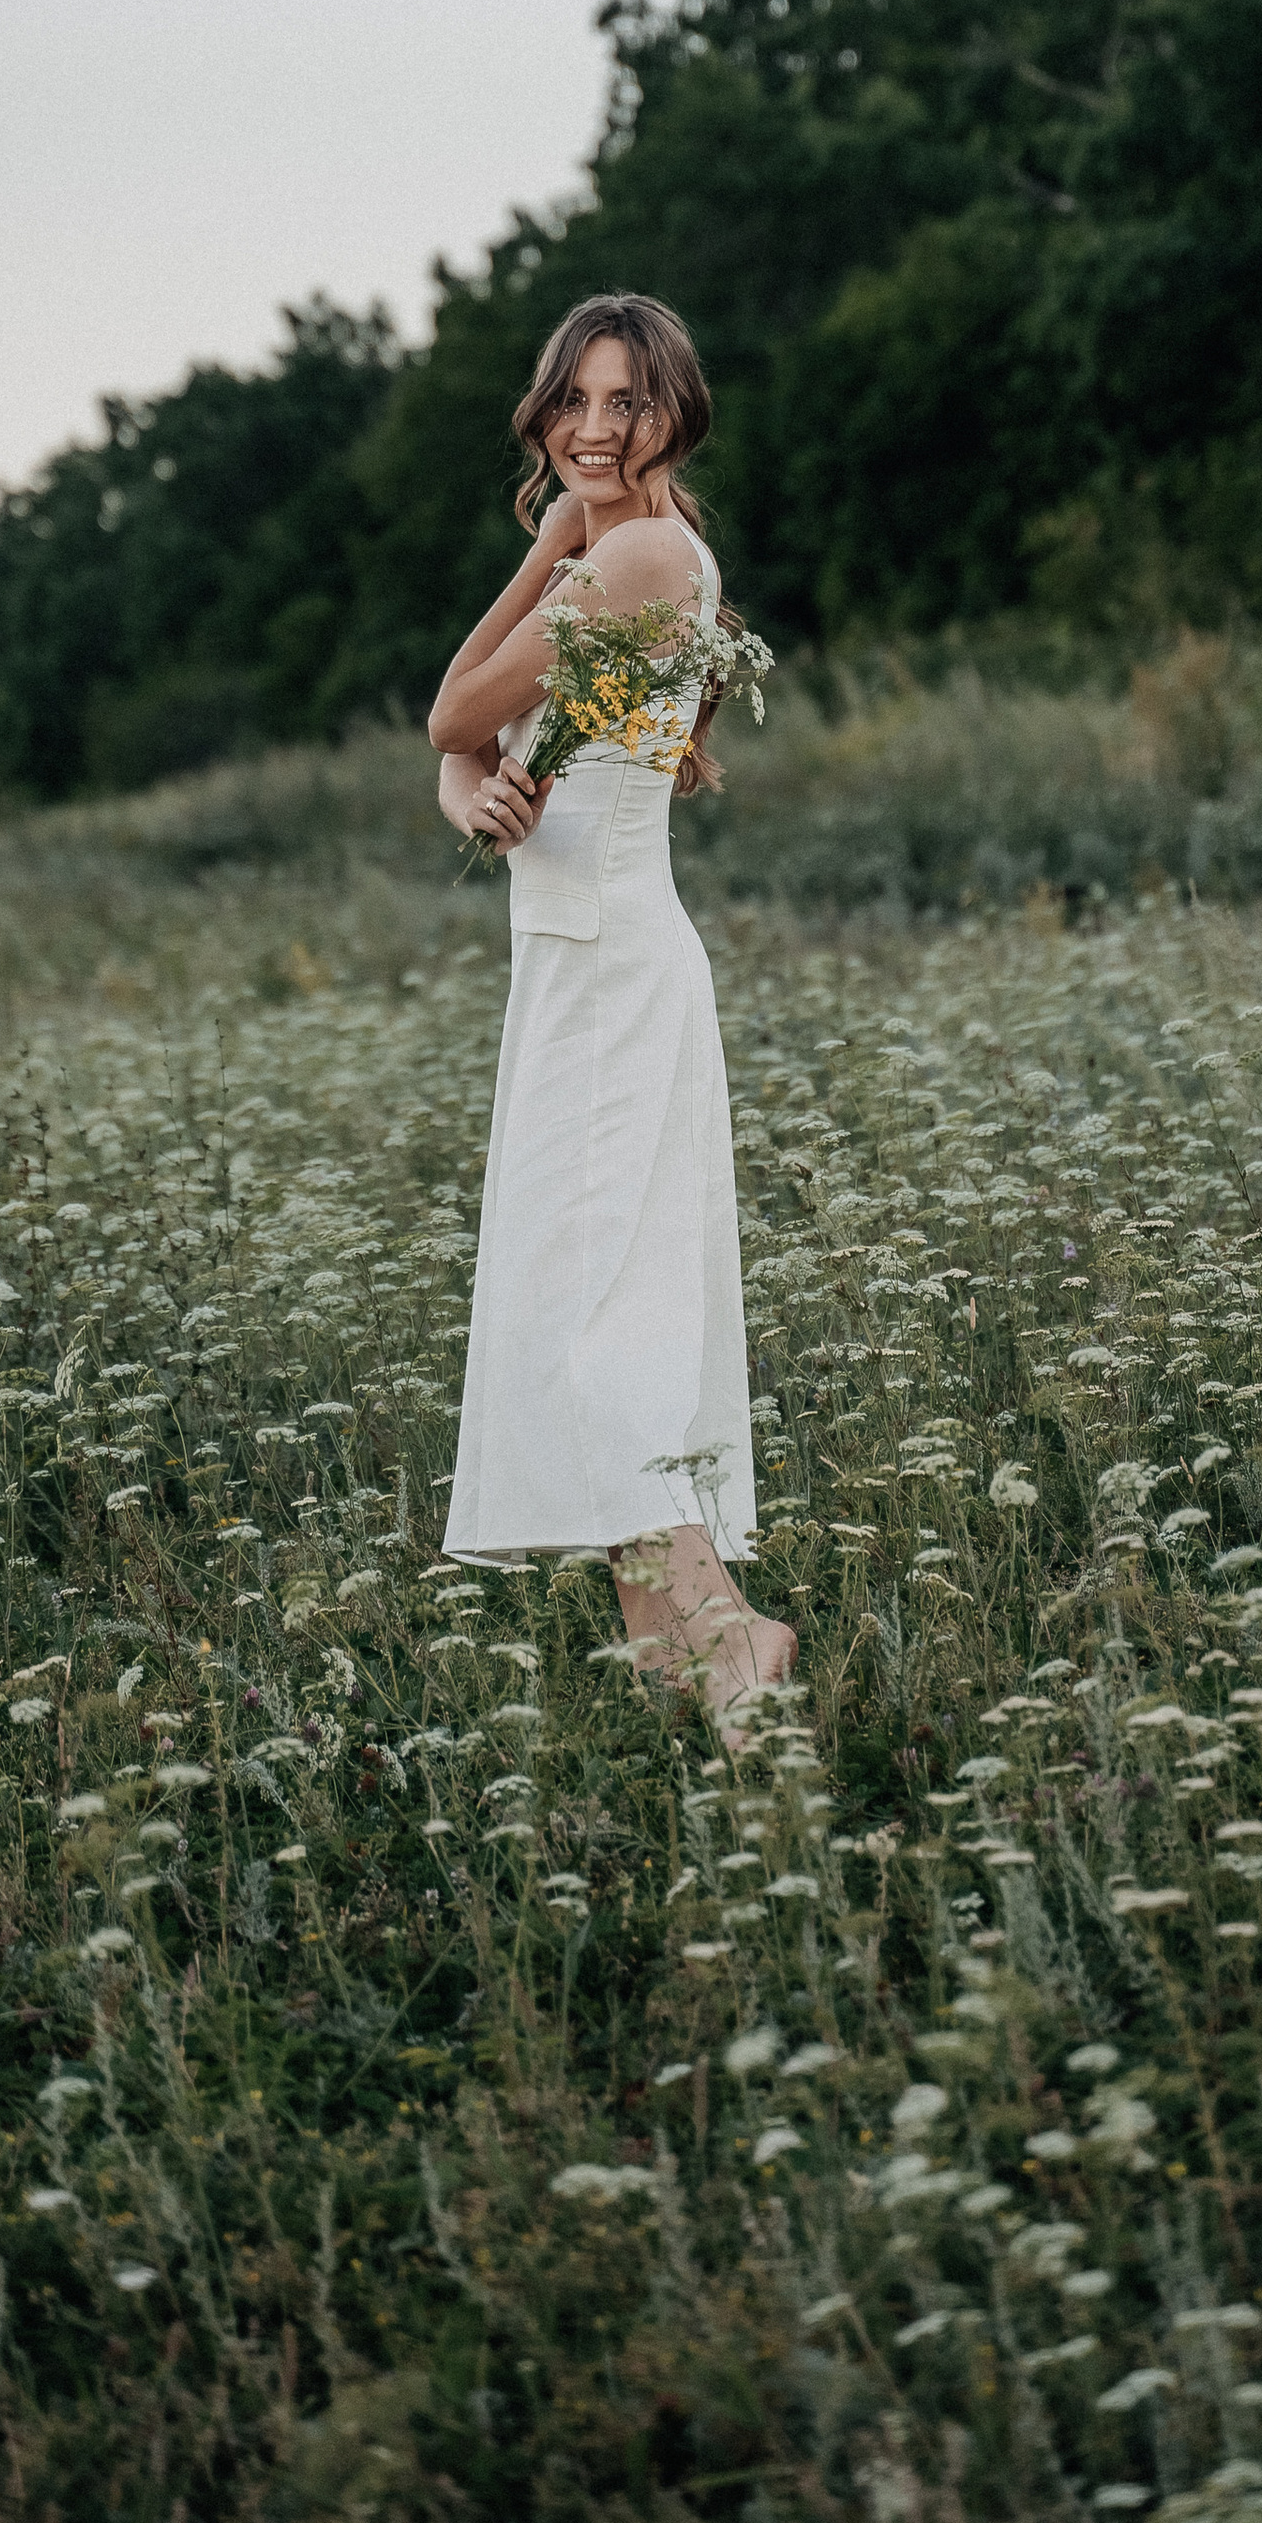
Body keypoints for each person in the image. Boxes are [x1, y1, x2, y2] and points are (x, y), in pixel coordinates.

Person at [427, 292, 795, 1741]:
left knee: (599, 1330)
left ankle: (728, 1629)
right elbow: (464, 757)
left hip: (616, 976)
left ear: (674, 414)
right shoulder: (613, 541)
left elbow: (455, 693)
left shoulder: (638, 553)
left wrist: (542, 547)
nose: (593, 427)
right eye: (573, 399)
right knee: (581, 1311)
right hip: (568, 967)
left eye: (626, 402)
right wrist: (493, 806)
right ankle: (683, 1664)